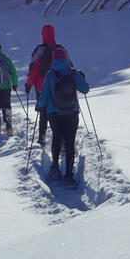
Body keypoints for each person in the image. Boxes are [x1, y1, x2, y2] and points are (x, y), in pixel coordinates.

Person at [37, 47, 89, 185]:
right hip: (72, 111)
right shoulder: (74, 73)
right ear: (66, 57)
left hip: (54, 112)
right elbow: (85, 89)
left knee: (57, 138)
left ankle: (55, 168)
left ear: (54, 58)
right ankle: (69, 175)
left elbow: (45, 94)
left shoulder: (50, 74)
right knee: (70, 141)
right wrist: (82, 77)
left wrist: (40, 105)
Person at [24, 23, 71, 147]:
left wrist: (29, 84)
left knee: (44, 114)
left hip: (42, 88)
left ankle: (42, 138)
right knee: (59, 113)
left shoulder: (39, 50)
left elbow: (34, 70)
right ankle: (61, 140)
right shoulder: (61, 49)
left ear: (42, 35)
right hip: (60, 89)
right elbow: (70, 67)